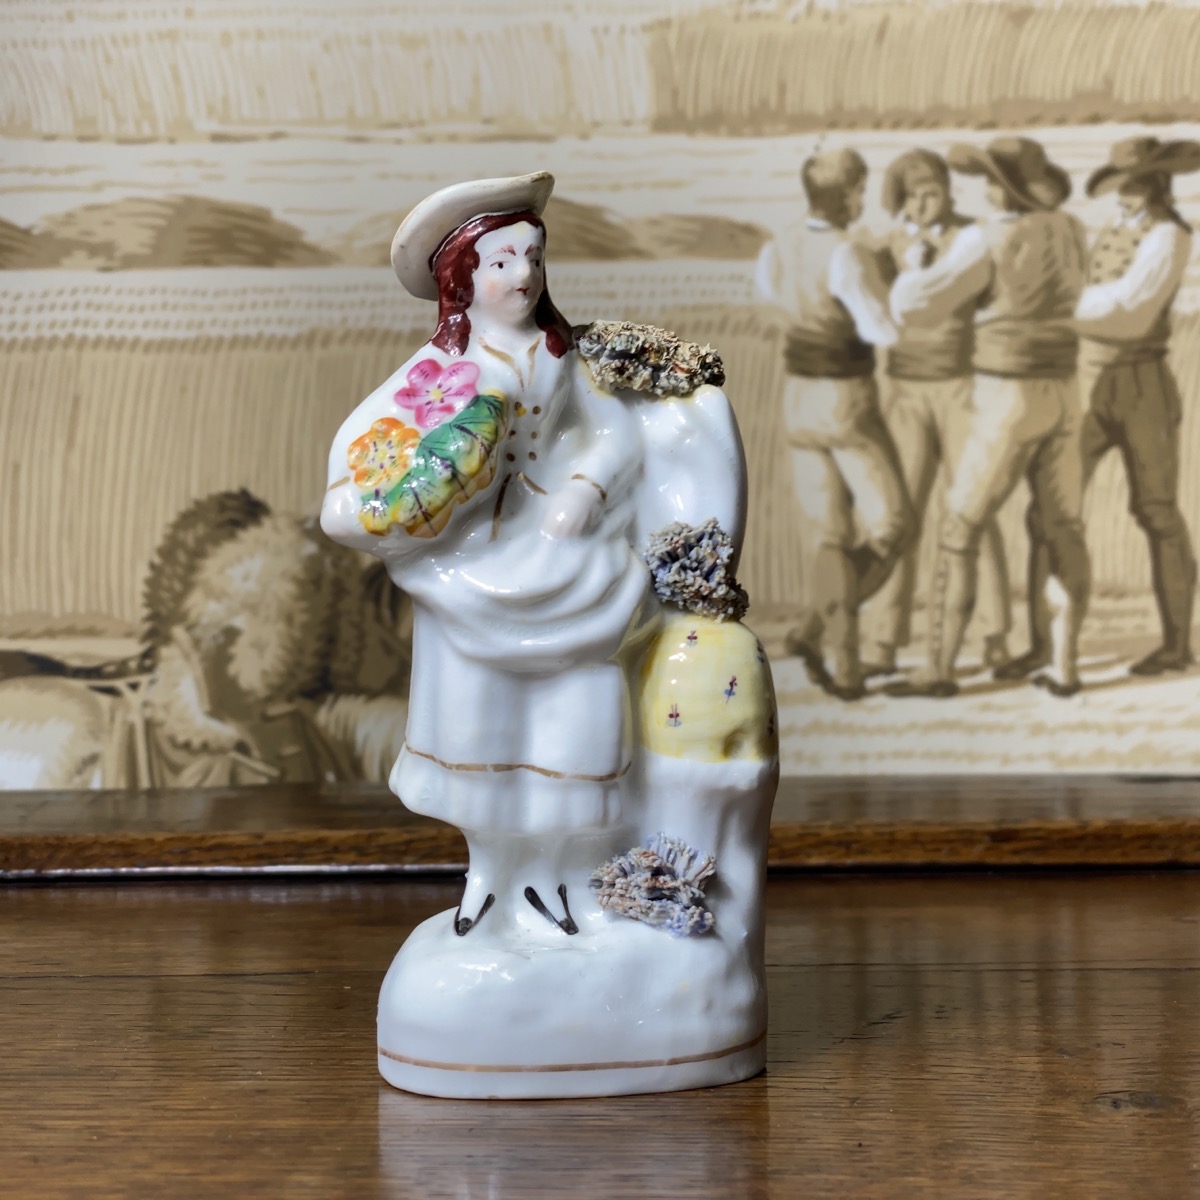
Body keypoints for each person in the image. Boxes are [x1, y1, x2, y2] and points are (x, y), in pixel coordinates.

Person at [321, 173, 745, 937]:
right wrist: (389, 500)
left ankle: (554, 876)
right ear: (463, 279)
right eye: (501, 262)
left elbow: (612, 433)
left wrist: (585, 486)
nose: (522, 276)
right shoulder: (436, 376)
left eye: (533, 259)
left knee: (570, 719)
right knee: (477, 723)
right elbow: (365, 449)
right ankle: (490, 875)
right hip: (474, 576)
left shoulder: (561, 356)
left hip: (565, 567)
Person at [885, 137, 1090, 698]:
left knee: (959, 529)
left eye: (991, 179)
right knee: (1064, 530)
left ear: (1004, 186)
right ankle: (1065, 665)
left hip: (1008, 395)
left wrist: (917, 265)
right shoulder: (1071, 230)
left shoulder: (987, 238)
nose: (985, 189)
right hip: (1067, 391)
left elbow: (916, 306)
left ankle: (940, 668)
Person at [1015, 138, 1198, 677]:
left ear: (1159, 181)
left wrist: (1058, 311)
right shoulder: (1113, 228)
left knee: (1158, 512)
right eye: (1124, 178)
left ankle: (1177, 643)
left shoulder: (1171, 235)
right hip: (1087, 376)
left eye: (1139, 178)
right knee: (1049, 507)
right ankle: (1043, 644)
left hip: (1142, 381)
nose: (1129, 187)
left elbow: (1130, 311)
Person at [756, 147, 913, 700]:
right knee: (894, 525)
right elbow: (883, 331)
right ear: (848, 194)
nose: (861, 199)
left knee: (830, 534)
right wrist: (892, 274)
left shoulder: (780, 246)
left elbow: (771, 300)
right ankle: (821, 636)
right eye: (859, 190)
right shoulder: (849, 254)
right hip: (846, 398)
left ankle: (828, 648)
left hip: (798, 397)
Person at [860, 148, 1012, 678]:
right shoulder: (887, 246)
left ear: (948, 191)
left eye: (933, 192)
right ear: (899, 203)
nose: (926, 204)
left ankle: (994, 636)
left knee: (972, 509)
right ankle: (883, 640)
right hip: (905, 387)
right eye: (914, 197)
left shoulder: (972, 239)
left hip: (960, 386)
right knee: (901, 515)